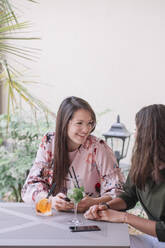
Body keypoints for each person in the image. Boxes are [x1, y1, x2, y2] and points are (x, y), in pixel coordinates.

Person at [21, 96, 124, 212]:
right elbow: (30, 187)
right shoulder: (50, 142)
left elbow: (120, 194)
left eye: (90, 123)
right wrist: (51, 200)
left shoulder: (99, 148)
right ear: (64, 123)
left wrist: (93, 202)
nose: (86, 129)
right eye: (79, 123)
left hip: (91, 219)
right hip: (54, 217)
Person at [84, 104, 165, 248]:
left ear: (151, 134)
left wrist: (124, 217)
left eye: (137, 129)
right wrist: (104, 206)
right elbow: (129, 195)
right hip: (156, 240)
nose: (135, 134)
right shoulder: (144, 163)